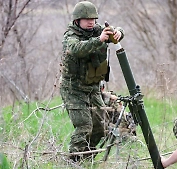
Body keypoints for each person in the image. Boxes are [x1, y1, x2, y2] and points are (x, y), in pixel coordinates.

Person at [60, 1, 124, 162]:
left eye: (93, 19)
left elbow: (118, 31)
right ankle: (73, 162)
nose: (91, 22)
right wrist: (99, 40)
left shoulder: (97, 30)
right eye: (86, 19)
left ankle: (86, 158)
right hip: (73, 89)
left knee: (100, 127)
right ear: (77, 20)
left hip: (93, 87)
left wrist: (117, 33)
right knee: (84, 126)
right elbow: (75, 49)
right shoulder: (70, 35)